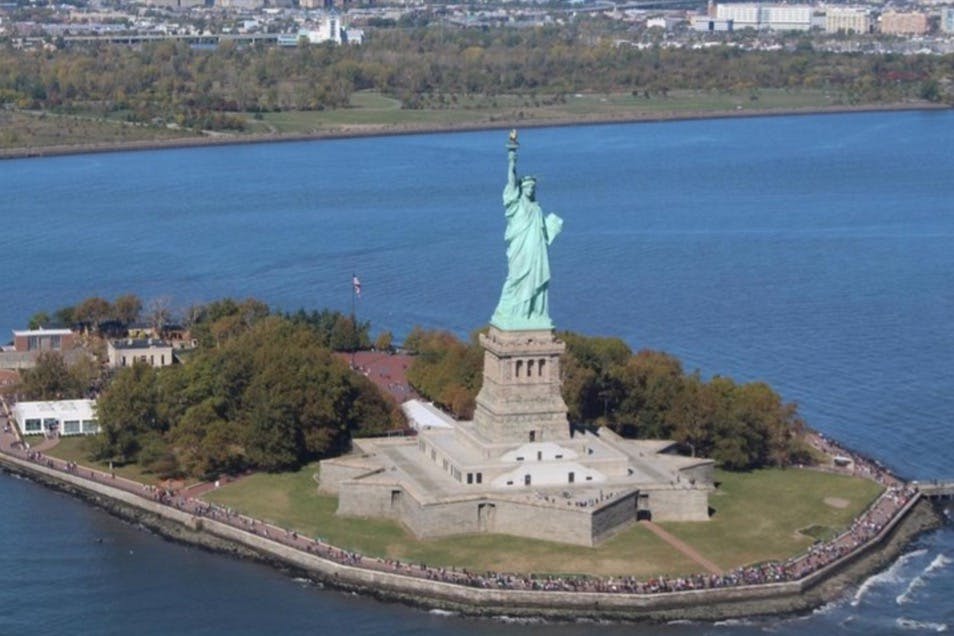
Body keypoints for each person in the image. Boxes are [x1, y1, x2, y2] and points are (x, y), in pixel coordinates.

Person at [490, 130, 563, 331]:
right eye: (527, 187)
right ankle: (511, 312)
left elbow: (543, 234)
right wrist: (512, 158)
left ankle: (534, 313)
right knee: (515, 278)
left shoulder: (537, 208)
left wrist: (553, 228)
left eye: (532, 187)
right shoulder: (514, 203)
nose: (530, 190)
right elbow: (512, 179)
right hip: (520, 249)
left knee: (536, 280)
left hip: (537, 251)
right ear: (522, 189)